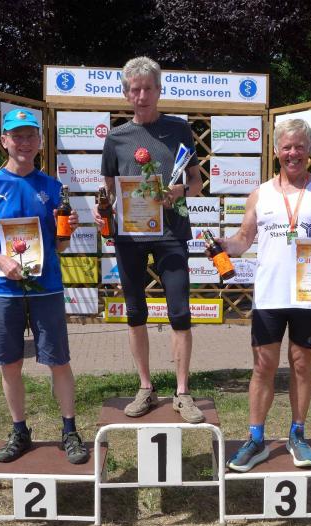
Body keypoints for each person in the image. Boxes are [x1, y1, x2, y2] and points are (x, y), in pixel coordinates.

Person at [219, 118, 311, 472]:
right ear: (276, 151)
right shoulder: (260, 194)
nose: (293, 153)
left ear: (309, 150)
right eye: (287, 147)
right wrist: (224, 246)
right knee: (263, 366)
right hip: (269, 295)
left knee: (301, 365)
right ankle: (256, 439)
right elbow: (243, 239)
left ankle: (298, 434)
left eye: (299, 147)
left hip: (308, 293)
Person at [0, 108, 89, 464]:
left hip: (46, 288)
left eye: (30, 135)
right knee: (10, 364)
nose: (24, 142)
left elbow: (59, 246)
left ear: (40, 141)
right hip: (3, 291)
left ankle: (70, 430)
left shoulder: (53, 187)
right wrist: (1, 261)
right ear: (4, 141)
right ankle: (19, 430)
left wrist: (68, 231)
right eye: (17, 136)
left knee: (59, 361)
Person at [96, 56, 205, 423]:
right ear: (126, 94)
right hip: (130, 235)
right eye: (135, 89)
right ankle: (145, 387)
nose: (141, 95)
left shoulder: (179, 129)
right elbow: (110, 192)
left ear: (159, 90)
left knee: (180, 313)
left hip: (171, 232)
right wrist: (102, 210)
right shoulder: (116, 138)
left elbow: (196, 182)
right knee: (135, 312)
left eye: (147, 88)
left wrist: (179, 192)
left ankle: (182, 392)